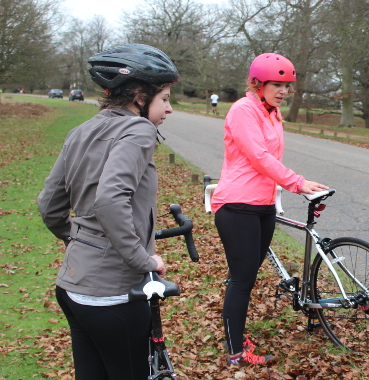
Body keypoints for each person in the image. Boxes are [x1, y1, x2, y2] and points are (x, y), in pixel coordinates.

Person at [37, 43, 179, 380]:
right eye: (165, 98)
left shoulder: (81, 131)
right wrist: (143, 260)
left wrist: (81, 241)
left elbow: (49, 205)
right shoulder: (139, 129)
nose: (169, 109)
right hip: (113, 294)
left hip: (72, 288)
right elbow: (110, 199)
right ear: (139, 97)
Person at [210, 53, 328, 367]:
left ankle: (234, 336)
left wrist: (284, 189)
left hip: (262, 207)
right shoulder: (243, 110)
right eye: (277, 84)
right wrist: (297, 183)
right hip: (237, 206)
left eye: (287, 86)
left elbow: (269, 162)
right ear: (258, 83)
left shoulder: (273, 113)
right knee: (242, 280)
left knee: (246, 277)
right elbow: (259, 156)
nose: (283, 91)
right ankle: (235, 352)